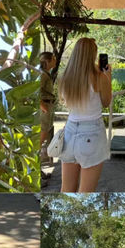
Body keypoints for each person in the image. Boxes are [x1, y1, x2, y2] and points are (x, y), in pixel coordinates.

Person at [57, 37, 112, 192]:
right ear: (92, 55)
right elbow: (106, 102)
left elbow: (65, 102)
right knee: (86, 192)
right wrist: (108, 76)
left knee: (66, 190)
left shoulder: (65, 78)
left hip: (69, 133)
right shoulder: (99, 77)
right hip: (92, 134)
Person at [40, 51, 57, 162]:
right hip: (45, 106)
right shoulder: (42, 74)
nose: (55, 60)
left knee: (45, 135)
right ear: (48, 61)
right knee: (41, 138)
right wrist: (43, 106)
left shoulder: (46, 74)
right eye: (53, 58)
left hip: (48, 105)